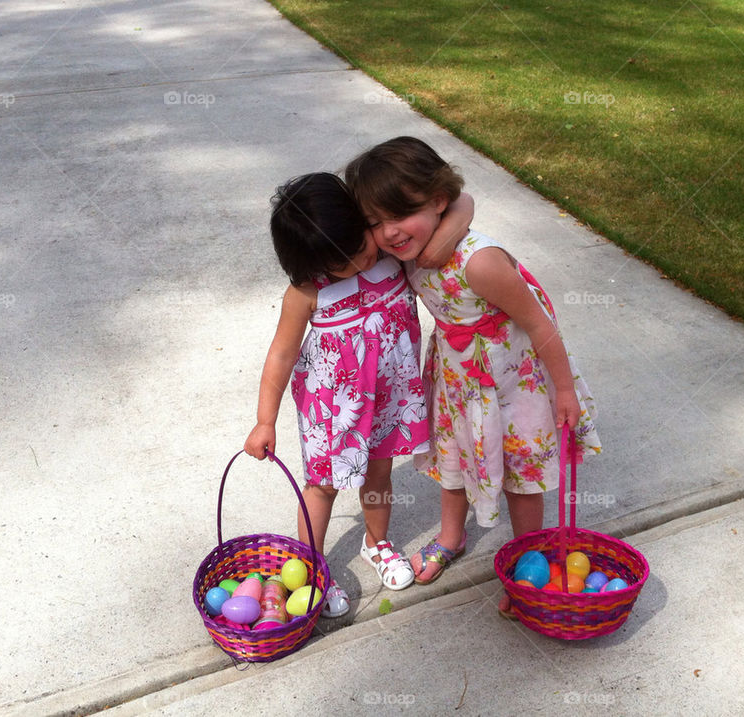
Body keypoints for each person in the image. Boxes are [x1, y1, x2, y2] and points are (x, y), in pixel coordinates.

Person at [345, 137, 601, 615]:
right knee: (453, 459)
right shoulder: (408, 250)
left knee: (521, 477)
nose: (390, 232)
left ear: (437, 201)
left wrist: (565, 390)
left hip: (512, 385)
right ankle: (450, 537)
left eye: (400, 214)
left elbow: (541, 325)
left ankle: (531, 566)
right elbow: (456, 201)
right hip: (458, 380)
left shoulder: (480, 262)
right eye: (376, 223)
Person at [244, 171, 472, 617]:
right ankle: (309, 569)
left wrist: (461, 206)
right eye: (342, 261)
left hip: (388, 398)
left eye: (359, 247)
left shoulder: (391, 253)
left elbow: (459, 207)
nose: (359, 262)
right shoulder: (308, 291)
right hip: (335, 410)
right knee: (322, 486)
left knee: (380, 474)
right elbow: (281, 353)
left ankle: (376, 542)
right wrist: (264, 419)